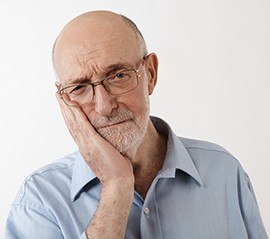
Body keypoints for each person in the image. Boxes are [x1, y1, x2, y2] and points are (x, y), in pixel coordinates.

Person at [5, 10, 268, 239]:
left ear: (150, 74)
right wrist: (116, 186)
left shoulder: (224, 172)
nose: (104, 106)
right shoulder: (38, 202)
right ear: (63, 99)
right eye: (80, 88)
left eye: (118, 75)